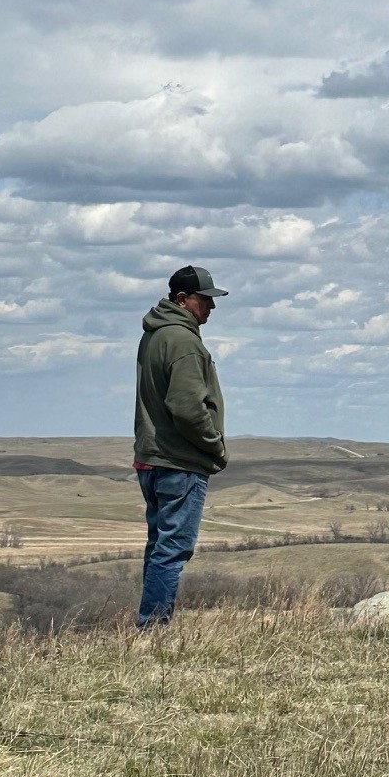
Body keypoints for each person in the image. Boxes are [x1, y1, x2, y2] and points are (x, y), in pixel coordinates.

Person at [133, 264, 229, 630]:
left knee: (158, 548)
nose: (211, 308)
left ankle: (148, 627)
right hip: (180, 461)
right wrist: (214, 446)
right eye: (205, 299)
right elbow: (188, 408)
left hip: (153, 458)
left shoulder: (154, 335)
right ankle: (153, 630)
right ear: (182, 299)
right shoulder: (184, 341)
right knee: (172, 552)